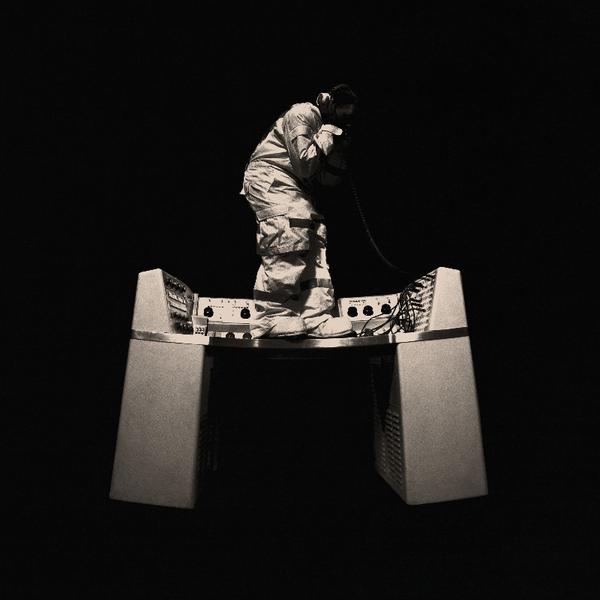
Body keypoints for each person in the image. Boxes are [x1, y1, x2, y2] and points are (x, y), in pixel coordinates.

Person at [241, 84, 358, 338]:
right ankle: (270, 316)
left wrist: (339, 148)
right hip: (269, 176)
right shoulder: (302, 113)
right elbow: (305, 163)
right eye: (342, 114)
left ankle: (314, 316)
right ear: (328, 103)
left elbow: (327, 180)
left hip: (297, 186)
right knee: (289, 231)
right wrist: (328, 130)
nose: (344, 121)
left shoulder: (329, 132)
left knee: (314, 238)